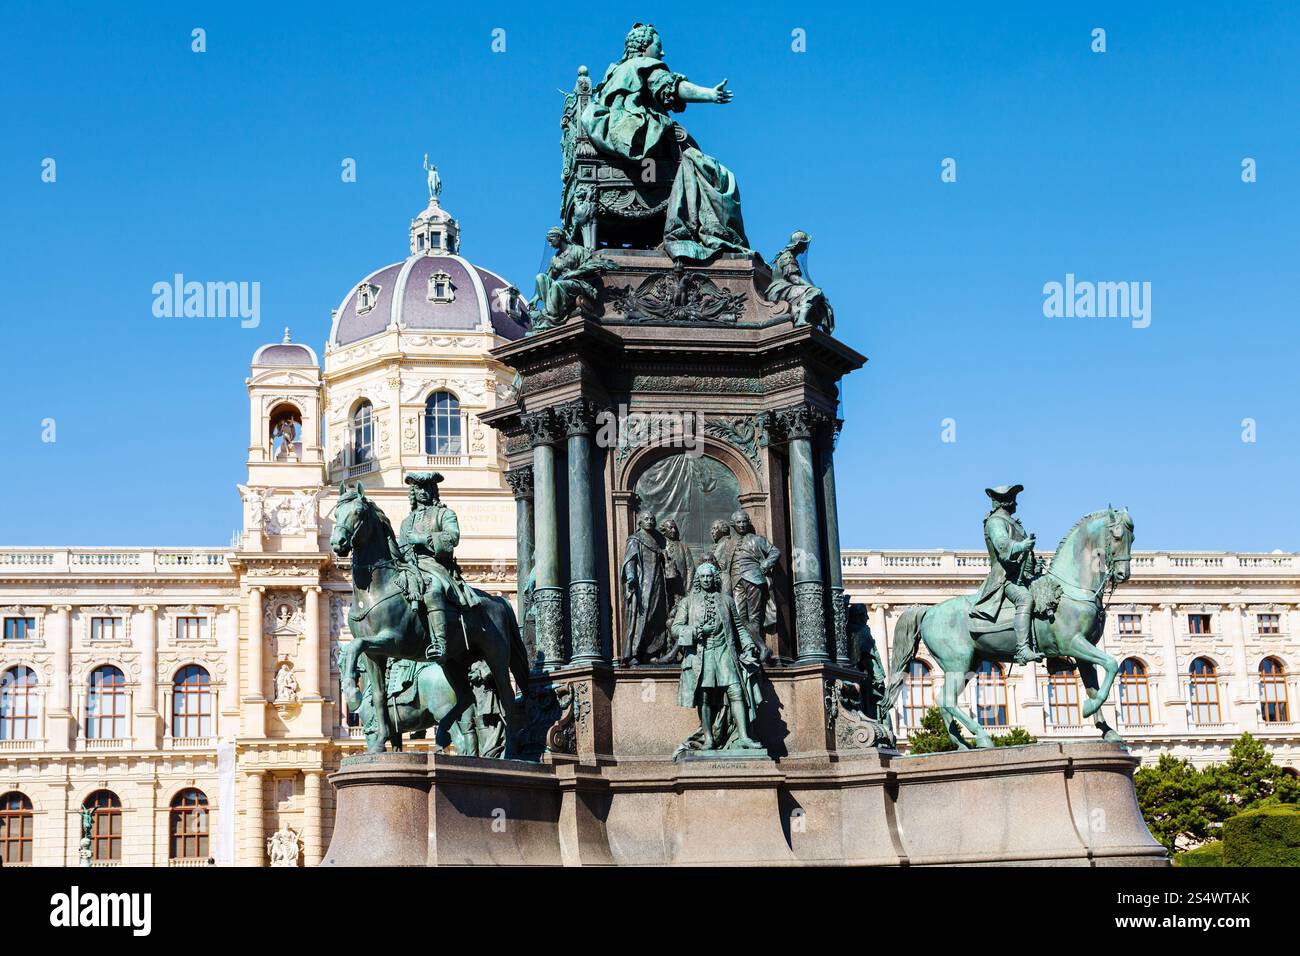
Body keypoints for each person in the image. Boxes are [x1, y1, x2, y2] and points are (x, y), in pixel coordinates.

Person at [581, 22, 750, 261]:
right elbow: (672, 87)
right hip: (647, 150)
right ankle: (713, 234)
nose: (662, 53)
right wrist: (709, 94)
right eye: (658, 46)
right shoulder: (642, 66)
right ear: (643, 47)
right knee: (718, 176)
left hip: (618, 144)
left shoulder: (613, 74)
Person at [673, 562, 764, 753]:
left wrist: (748, 644)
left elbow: (739, 627)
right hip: (701, 654)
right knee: (704, 697)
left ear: (715, 578)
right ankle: (708, 739)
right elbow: (676, 628)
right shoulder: (687, 602)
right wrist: (697, 631)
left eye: (709, 576)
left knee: (736, 691)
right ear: (698, 579)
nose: (706, 580)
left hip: (724, 652)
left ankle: (744, 737)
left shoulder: (727, 600)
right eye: (703, 576)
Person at [398, 472, 479, 663]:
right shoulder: (406, 522)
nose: (424, 492)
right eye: (419, 488)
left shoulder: (444, 513)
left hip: (436, 566)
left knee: (432, 589)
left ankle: (440, 643)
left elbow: (453, 537)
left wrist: (424, 539)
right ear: (413, 492)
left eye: (428, 487)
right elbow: (402, 548)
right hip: (410, 568)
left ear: (434, 490)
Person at [970, 484, 1045, 664]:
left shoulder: (1013, 522)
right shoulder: (995, 521)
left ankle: (1054, 656)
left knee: (1048, 600)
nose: (1016, 504)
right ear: (1007, 502)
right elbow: (1003, 546)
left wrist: (1035, 565)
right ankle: (1022, 649)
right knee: (1025, 600)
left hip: (1023, 577)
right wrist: (1022, 545)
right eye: (1014, 499)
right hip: (1006, 577)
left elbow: (1023, 555)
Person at [620, 511, 669, 665]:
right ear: (640, 522)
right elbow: (630, 560)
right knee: (642, 617)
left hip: (657, 583)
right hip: (642, 584)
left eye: (652, 519)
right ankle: (635, 652)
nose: (650, 521)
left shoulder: (655, 541)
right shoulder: (635, 539)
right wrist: (631, 577)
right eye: (646, 519)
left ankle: (652, 651)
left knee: (656, 617)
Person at [764, 231, 835, 331]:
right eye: (805, 244)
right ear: (799, 244)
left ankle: (806, 317)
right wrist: (812, 287)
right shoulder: (787, 257)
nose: (806, 247)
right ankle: (801, 320)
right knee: (814, 292)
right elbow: (794, 278)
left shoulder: (787, 256)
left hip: (783, 288)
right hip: (779, 289)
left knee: (819, 299)